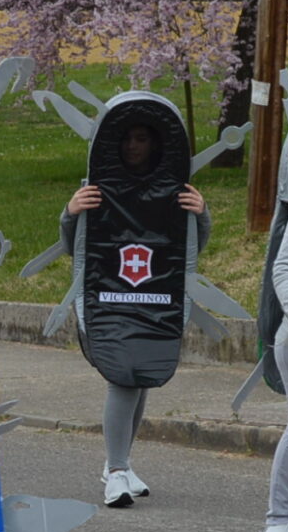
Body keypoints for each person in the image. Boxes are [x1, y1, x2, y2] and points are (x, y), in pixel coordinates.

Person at [60, 119, 207, 506]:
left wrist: (201, 214)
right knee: (122, 377)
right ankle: (116, 471)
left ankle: (119, 461)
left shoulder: (174, 192)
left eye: (141, 136)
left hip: (154, 296)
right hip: (107, 297)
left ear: (156, 143)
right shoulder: (95, 189)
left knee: (139, 376)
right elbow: (74, 247)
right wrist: (70, 213)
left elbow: (189, 249)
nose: (132, 145)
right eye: (126, 137)